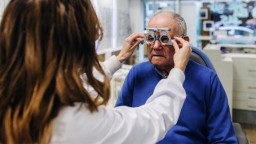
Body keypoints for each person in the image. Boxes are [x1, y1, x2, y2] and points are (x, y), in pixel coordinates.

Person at [0, 1, 192, 143]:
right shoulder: (77, 123)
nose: (157, 45)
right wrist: (177, 73)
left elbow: (77, 85)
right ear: (76, 47)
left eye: (164, 38)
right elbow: (154, 119)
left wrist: (118, 59)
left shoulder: (17, 95)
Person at [116, 10, 238, 144]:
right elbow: (119, 126)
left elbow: (223, 139)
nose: (156, 46)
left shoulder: (207, 80)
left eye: (164, 38)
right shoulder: (137, 74)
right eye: (150, 38)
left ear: (183, 42)